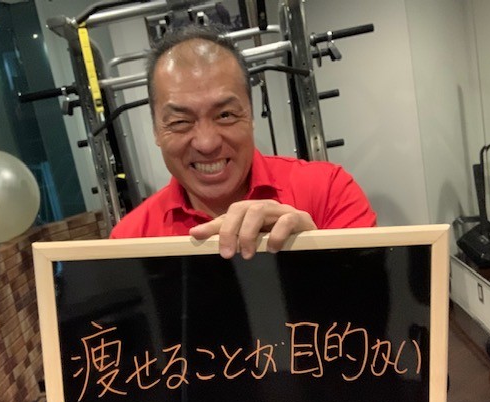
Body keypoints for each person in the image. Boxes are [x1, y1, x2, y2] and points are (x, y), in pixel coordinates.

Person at [110, 24, 376, 259]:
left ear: (250, 115)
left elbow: (376, 296)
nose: (207, 143)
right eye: (180, 121)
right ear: (156, 130)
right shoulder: (129, 240)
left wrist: (319, 252)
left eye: (225, 115)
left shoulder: (329, 191)